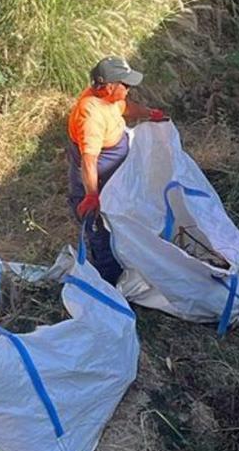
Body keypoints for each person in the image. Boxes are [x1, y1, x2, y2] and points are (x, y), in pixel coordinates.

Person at [67, 56, 168, 286]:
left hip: (113, 165)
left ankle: (128, 253)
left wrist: (150, 114)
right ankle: (110, 279)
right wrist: (91, 195)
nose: (129, 88)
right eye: (125, 84)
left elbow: (125, 108)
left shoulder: (109, 97)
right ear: (108, 86)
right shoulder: (90, 114)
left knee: (124, 210)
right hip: (97, 172)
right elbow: (89, 161)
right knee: (99, 226)